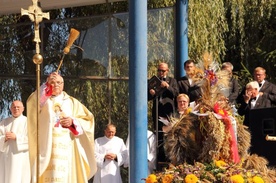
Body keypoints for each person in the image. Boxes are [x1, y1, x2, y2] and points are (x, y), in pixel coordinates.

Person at [27, 72, 97, 183]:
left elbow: (88, 120)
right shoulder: (43, 100)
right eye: (52, 83)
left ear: (63, 84)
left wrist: (73, 122)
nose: (56, 85)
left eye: (58, 82)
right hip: (47, 146)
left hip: (67, 146)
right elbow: (32, 107)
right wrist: (44, 88)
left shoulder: (72, 102)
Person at [148, 62, 178, 163]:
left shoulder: (172, 81)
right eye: (159, 70)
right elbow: (147, 97)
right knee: (158, 136)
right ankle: (158, 160)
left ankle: (169, 159)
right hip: (157, 111)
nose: (161, 72)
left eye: (163, 70)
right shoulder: (153, 81)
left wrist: (167, 86)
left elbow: (176, 94)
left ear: (167, 71)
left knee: (169, 135)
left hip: (168, 112)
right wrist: (151, 93)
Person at [0, 100, 30, 183]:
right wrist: (4, 138)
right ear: (10, 109)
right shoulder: (4, 122)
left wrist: (16, 137)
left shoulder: (28, 122)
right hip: (6, 158)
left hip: (21, 158)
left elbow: (32, 140)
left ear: (23, 109)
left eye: (18, 107)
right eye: (14, 107)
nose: (16, 109)